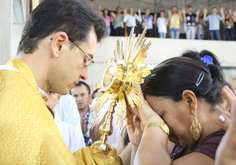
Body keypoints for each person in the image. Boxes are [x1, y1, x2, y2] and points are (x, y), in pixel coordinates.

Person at [0, 0, 123, 164]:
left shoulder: (18, 90)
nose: (85, 74)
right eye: (85, 60)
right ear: (59, 45)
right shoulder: (19, 108)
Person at [127, 50, 230, 164]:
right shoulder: (188, 140)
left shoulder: (225, 143)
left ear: (189, 101)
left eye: (160, 115)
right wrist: (137, 143)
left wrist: (152, 125)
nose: (161, 126)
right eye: (155, 117)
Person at [71, 81, 92, 147]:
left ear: (89, 96)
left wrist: (86, 131)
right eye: (75, 96)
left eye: (82, 95)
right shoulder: (68, 117)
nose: (79, 99)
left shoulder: (97, 115)